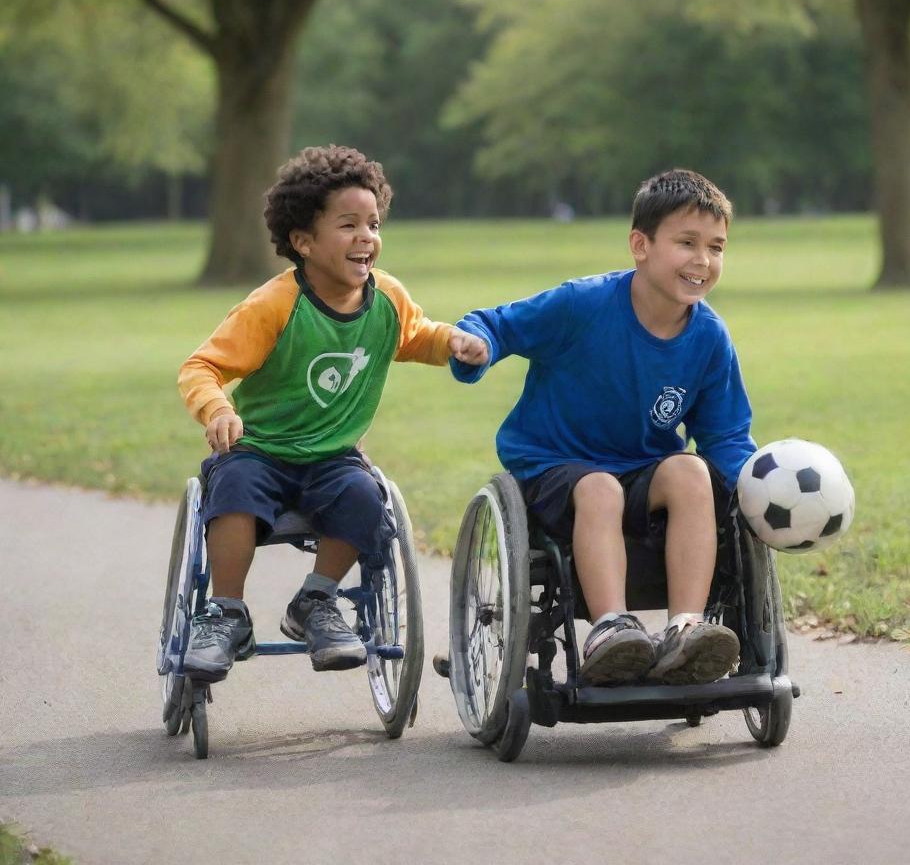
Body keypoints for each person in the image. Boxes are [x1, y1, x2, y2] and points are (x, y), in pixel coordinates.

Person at [178, 144, 487, 683]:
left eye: (372, 222)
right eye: (348, 225)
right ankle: (226, 611)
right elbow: (201, 366)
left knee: (367, 498)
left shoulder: (386, 297)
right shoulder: (274, 305)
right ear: (303, 241)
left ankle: (316, 601)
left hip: (333, 456)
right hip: (261, 449)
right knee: (233, 490)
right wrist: (217, 410)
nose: (366, 236)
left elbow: (416, 335)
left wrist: (455, 341)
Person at [450, 169, 756, 686]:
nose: (703, 261)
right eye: (687, 243)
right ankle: (611, 630)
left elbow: (724, 435)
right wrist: (475, 347)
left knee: (691, 473)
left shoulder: (708, 336)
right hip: (553, 466)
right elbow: (495, 324)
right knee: (598, 489)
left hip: (640, 469)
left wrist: (753, 486)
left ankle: (686, 628)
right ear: (641, 244)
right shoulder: (582, 304)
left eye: (717, 247)